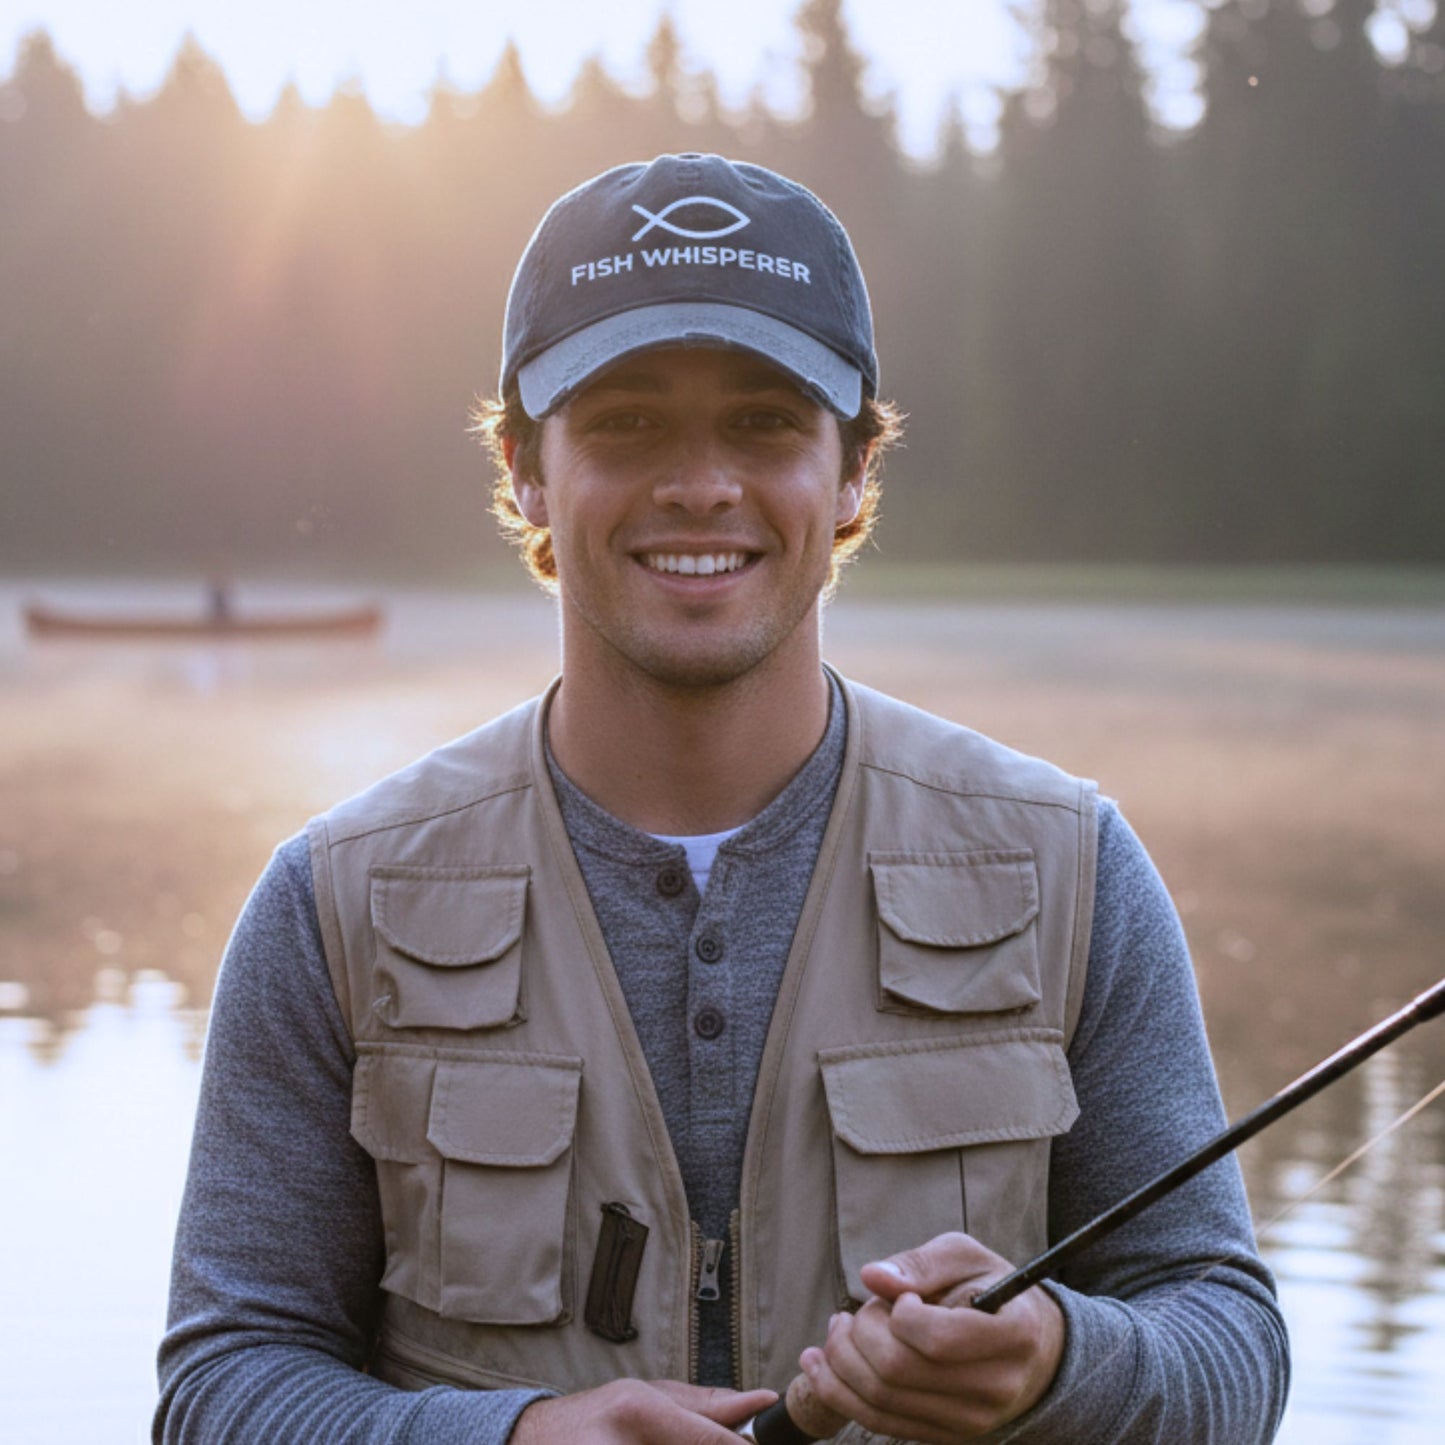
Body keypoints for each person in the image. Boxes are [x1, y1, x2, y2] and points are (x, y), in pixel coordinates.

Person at [155, 153, 1289, 1444]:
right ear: (527, 468)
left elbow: (1227, 1351)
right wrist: (512, 1439)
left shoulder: (1074, 867)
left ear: (854, 468)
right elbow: (222, 1388)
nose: (699, 483)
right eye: (627, 422)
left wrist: (1058, 1359)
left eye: (762, 421)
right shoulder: (328, 902)